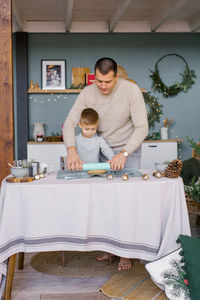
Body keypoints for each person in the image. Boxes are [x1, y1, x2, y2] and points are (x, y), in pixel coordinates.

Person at [63, 57, 149, 271]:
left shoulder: (131, 91)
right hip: (101, 151)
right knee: (106, 204)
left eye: (107, 82)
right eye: (99, 81)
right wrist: (71, 149)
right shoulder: (87, 93)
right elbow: (69, 122)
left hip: (127, 150)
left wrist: (125, 153)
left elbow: (142, 127)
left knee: (126, 203)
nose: (102, 86)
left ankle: (125, 253)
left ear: (116, 77)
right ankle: (111, 247)